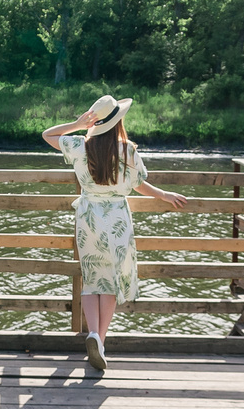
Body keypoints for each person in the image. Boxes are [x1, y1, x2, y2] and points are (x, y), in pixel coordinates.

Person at [41, 94, 193, 372]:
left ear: (95, 123)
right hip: (116, 220)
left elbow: (47, 134)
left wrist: (77, 125)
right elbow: (139, 184)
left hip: (88, 217)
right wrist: (163, 194)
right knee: (110, 280)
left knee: (91, 278)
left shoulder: (80, 145)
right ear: (118, 122)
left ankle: (92, 333)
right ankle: (100, 340)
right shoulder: (128, 151)